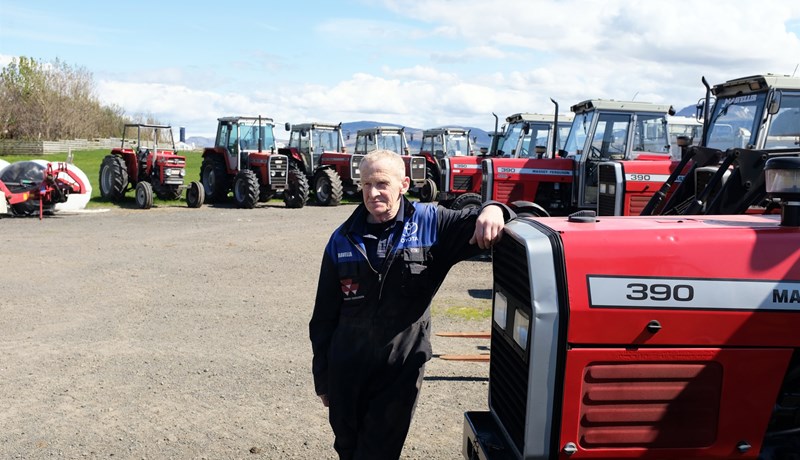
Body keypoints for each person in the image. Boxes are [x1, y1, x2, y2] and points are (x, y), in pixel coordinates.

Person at [309, 149, 514, 459]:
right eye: (365, 184)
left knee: (377, 453)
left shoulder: (433, 225)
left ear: (404, 184)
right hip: (347, 369)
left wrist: (496, 209)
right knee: (347, 448)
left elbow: (507, 218)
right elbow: (323, 316)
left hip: (399, 370)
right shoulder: (342, 239)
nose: (373, 192)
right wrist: (323, 377)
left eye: (381, 183)